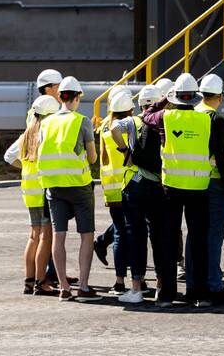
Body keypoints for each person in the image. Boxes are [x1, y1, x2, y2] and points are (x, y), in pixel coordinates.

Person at [150, 72, 224, 308]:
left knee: (168, 241)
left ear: (175, 97)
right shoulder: (208, 121)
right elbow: (218, 155)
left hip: (171, 187)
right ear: (195, 98)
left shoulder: (165, 117)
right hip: (199, 188)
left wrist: (164, 99)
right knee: (199, 241)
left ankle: (167, 294)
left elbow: (144, 116)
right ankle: (198, 294)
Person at [37, 76, 101, 302]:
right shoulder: (82, 121)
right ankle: (83, 285)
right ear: (77, 97)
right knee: (86, 235)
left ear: (60, 97)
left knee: (58, 235)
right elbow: (92, 158)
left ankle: (63, 285)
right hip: (79, 186)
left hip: (53, 186)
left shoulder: (46, 122)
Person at [187, 73, 224, 305]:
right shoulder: (216, 120)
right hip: (214, 184)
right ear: (219, 96)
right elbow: (221, 158)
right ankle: (213, 286)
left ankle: (192, 285)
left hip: (190, 182)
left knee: (194, 234)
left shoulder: (190, 114)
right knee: (214, 235)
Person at [111, 83, 165, 305]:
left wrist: (125, 150)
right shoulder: (164, 120)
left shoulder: (133, 122)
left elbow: (112, 127)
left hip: (135, 185)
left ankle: (136, 288)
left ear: (140, 104)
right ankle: (161, 286)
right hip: (158, 185)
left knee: (136, 236)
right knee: (159, 236)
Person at [5, 94, 60, 295]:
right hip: (44, 189)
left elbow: (8, 156)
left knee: (33, 236)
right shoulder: (46, 134)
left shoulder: (25, 136)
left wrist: (25, 167)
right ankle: (41, 282)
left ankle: (28, 281)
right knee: (46, 237)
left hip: (28, 190)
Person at [95, 89, 134, 294]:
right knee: (134, 232)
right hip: (130, 185)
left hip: (111, 187)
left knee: (120, 233)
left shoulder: (104, 127)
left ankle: (119, 282)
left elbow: (103, 157)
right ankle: (138, 280)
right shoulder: (131, 126)